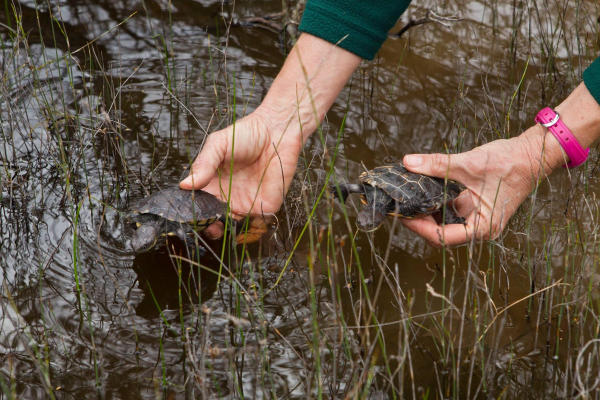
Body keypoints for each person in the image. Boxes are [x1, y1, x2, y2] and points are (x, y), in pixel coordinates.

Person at [180, 0, 600, 246]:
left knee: (442, 205)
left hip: (419, 192)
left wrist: (536, 153)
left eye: (370, 217)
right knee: (361, 188)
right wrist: (279, 123)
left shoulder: (382, 209)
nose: (369, 218)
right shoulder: (372, 193)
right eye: (369, 216)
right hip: (391, 181)